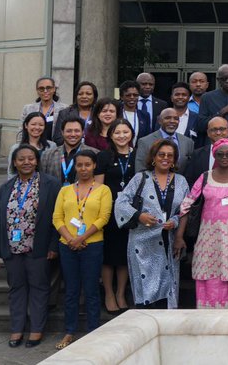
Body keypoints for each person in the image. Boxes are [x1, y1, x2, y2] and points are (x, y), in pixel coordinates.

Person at [0, 145, 60, 349]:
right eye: (21, 159)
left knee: (39, 288)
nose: (26, 162)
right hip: (11, 248)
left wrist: (54, 244)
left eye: (30, 158)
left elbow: (58, 217)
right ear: (14, 162)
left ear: (37, 161)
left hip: (39, 247)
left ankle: (36, 329)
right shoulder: (6, 187)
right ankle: (17, 328)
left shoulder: (51, 184)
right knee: (16, 288)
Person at [175, 139, 228, 309]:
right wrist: (179, 236)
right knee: (207, 276)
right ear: (214, 155)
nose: (224, 157)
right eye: (220, 154)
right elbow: (186, 205)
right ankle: (207, 320)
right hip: (208, 239)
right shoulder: (205, 176)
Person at [114, 139, 190, 309]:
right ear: (154, 157)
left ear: (175, 159)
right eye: (161, 154)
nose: (165, 158)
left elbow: (185, 210)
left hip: (169, 241)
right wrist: (139, 215)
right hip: (142, 242)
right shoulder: (140, 178)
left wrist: (175, 223)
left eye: (170, 155)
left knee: (168, 288)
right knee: (146, 291)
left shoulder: (181, 181)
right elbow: (121, 203)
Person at [51, 149, 111, 349]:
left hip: (92, 245)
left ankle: (93, 331)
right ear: (74, 167)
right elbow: (57, 218)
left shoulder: (103, 190)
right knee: (71, 290)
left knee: (91, 289)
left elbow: (103, 217)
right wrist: (70, 239)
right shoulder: (65, 190)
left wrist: (82, 237)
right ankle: (69, 331)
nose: (83, 168)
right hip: (67, 246)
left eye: (87, 164)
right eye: (79, 165)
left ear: (94, 166)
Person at [99, 119, 137, 313]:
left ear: (131, 134)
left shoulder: (138, 155)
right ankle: (108, 293)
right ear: (110, 135)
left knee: (124, 255)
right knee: (109, 256)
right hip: (109, 213)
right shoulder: (104, 156)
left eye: (125, 132)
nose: (122, 136)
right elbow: (99, 188)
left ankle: (121, 293)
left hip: (130, 213)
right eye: (117, 133)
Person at [184, 116, 228, 180]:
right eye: (214, 129)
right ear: (208, 133)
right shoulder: (197, 154)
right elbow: (190, 180)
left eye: (222, 129)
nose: (218, 133)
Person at [136, 108, 194, 172]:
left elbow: (190, 170)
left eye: (176, 119)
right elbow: (140, 170)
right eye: (167, 118)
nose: (172, 121)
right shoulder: (145, 141)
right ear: (160, 121)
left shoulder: (188, 142)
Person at [41, 119, 96, 185]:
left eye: (77, 131)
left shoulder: (95, 154)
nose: (73, 134)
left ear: (83, 132)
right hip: (55, 195)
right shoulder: (47, 155)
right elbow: (42, 181)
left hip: (84, 194)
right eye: (69, 131)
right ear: (62, 132)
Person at [22, 76, 67, 142]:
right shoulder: (28, 109)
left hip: (55, 149)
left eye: (48, 88)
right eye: (41, 89)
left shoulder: (64, 109)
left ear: (54, 89)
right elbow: (22, 131)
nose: (45, 91)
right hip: (33, 148)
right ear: (37, 90)